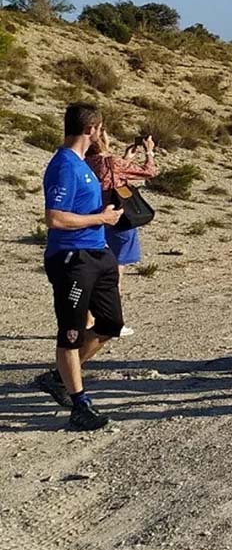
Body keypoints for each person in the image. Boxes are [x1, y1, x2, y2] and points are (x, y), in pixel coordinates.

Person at [33, 103, 124, 430]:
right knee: (70, 333)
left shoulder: (83, 164)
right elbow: (54, 218)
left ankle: (58, 377)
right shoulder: (63, 166)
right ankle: (79, 404)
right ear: (91, 129)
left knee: (111, 323)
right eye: (100, 129)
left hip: (98, 255)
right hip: (72, 259)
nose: (101, 135)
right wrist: (101, 217)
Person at [86, 127, 158, 337]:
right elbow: (149, 172)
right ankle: (112, 319)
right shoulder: (112, 162)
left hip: (95, 219)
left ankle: (88, 318)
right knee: (116, 272)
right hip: (118, 220)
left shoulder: (85, 163)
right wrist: (149, 152)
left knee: (93, 271)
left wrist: (126, 157)